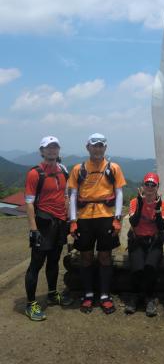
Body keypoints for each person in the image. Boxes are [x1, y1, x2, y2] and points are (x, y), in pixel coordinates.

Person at [68, 133, 126, 314]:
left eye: (101, 145)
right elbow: (73, 195)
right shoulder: (78, 169)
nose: (98, 148)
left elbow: (119, 193)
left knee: (104, 256)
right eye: (94, 145)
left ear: (105, 148)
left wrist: (117, 218)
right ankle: (88, 294)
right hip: (85, 217)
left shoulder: (113, 167)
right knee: (85, 256)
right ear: (88, 147)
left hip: (106, 216)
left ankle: (104, 295)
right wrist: (73, 221)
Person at [24, 136, 72, 321]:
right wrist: (33, 230)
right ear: (42, 151)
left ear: (58, 150)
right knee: (36, 264)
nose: (52, 151)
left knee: (53, 261)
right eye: (48, 148)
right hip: (43, 224)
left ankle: (52, 294)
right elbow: (29, 203)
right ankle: (30, 304)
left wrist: (67, 218)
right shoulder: (35, 173)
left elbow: (66, 195)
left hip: (60, 223)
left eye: (55, 147)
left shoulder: (63, 170)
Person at [125, 172, 164, 317]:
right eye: (147, 184)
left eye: (152, 185)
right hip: (137, 240)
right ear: (142, 186)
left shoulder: (162, 203)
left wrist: (157, 209)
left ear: (157, 187)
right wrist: (141, 203)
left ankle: (150, 297)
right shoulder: (134, 202)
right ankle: (135, 295)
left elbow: (161, 227)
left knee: (150, 267)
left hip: (154, 241)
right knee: (137, 268)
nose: (149, 188)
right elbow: (134, 222)